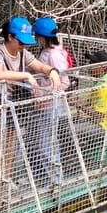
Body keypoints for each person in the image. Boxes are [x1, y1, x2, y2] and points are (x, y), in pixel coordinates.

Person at [0, 16, 62, 203]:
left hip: (14, 106)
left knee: (10, 149)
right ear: (10, 37)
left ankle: (4, 185)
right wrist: (26, 75)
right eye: (21, 41)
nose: (23, 46)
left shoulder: (23, 53)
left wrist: (52, 71)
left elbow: (39, 65)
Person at [32, 17, 71, 187]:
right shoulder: (46, 51)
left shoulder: (55, 55)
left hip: (50, 105)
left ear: (43, 36)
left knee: (47, 144)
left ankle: (56, 181)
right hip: (43, 105)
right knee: (41, 143)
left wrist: (45, 96)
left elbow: (64, 82)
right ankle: (47, 179)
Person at [74, 49, 107, 166]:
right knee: (64, 123)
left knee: (70, 131)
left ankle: (74, 163)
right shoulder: (99, 82)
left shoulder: (104, 87)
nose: (90, 66)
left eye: (94, 63)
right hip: (96, 122)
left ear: (103, 67)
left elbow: (99, 115)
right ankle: (76, 160)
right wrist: (74, 100)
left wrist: (78, 105)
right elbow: (88, 104)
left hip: (105, 127)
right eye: (90, 62)